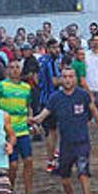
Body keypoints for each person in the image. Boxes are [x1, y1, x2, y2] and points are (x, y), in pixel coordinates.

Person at [30, 67, 98, 194]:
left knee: (83, 174)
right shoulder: (55, 98)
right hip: (66, 144)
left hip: (82, 141)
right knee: (64, 178)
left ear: (75, 78)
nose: (68, 79)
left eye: (71, 76)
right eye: (65, 77)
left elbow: (95, 112)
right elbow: (44, 114)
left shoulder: (83, 95)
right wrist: (34, 120)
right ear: (60, 79)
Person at [0, 59, 41, 194]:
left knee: (28, 161)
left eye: (17, 68)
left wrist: (32, 123)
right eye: (12, 67)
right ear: (7, 70)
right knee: (12, 165)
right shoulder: (1, 86)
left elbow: (28, 107)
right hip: (8, 132)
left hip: (23, 131)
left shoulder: (26, 88)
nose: (14, 70)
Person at [38, 39, 64, 173]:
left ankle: (53, 156)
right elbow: (55, 82)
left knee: (52, 131)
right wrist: (66, 79)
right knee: (52, 132)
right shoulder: (50, 63)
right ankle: (51, 160)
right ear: (48, 49)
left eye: (58, 47)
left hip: (44, 98)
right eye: (54, 48)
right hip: (51, 100)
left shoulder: (42, 61)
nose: (57, 50)